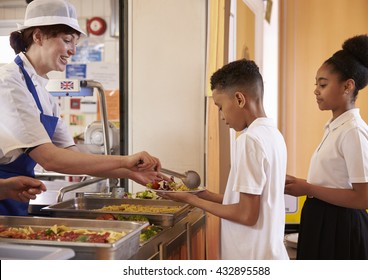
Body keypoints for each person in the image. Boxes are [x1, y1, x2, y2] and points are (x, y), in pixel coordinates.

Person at [0, 0, 164, 216]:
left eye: (75, 43)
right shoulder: (9, 84)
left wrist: (130, 172)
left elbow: (71, 156)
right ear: (38, 36)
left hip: (13, 206)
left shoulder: (44, 94)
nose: (73, 51)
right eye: (67, 40)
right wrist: (125, 161)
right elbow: (50, 159)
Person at [162, 59, 289, 260]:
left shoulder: (250, 141)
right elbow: (253, 202)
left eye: (220, 106)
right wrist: (204, 194)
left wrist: (191, 200)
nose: (221, 116)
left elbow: (246, 215)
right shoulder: (272, 134)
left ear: (239, 99)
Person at [285, 34, 368, 259]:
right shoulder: (335, 127)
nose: (316, 90)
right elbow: (333, 180)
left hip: (341, 227)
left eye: (323, 84)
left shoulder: (353, 131)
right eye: (316, 84)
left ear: (348, 86)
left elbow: (364, 198)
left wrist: (308, 188)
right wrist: (298, 184)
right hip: (324, 221)